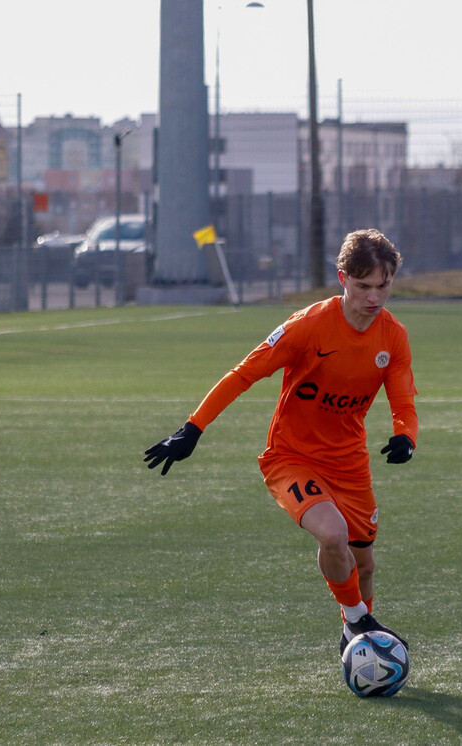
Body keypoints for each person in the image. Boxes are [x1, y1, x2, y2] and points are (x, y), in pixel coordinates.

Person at [143, 228, 417, 657]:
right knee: (333, 534)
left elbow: (403, 398)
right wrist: (193, 428)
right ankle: (357, 622)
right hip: (291, 458)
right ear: (343, 279)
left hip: (349, 463)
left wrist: (406, 436)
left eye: (382, 286)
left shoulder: (393, 337)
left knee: (363, 564)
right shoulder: (307, 327)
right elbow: (243, 374)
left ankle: (357, 637)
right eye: (363, 286)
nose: (374, 297)